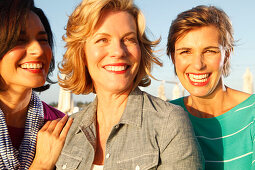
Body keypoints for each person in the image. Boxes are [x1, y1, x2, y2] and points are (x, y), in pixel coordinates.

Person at [56, 0, 204, 169]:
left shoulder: (168, 123)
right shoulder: (66, 131)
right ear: (81, 53)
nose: (118, 51)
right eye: (103, 40)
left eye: (129, 39)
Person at [167, 5, 255, 170]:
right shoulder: (165, 117)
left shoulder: (252, 114)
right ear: (173, 57)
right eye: (186, 52)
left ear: (227, 54)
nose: (198, 65)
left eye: (209, 51)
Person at [0, 0, 73, 169]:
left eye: (43, 40)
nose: (38, 51)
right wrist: (41, 165)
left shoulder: (60, 126)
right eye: (20, 40)